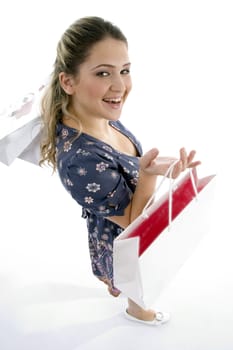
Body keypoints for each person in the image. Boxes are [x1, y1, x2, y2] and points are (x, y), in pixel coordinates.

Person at [39, 16, 201, 326]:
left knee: (148, 264)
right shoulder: (80, 160)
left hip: (132, 213)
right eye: (103, 73)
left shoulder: (98, 113)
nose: (120, 86)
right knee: (138, 278)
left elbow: (127, 165)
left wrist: (162, 167)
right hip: (120, 238)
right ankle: (138, 313)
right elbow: (130, 226)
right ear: (68, 82)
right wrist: (150, 176)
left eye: (125, 70)